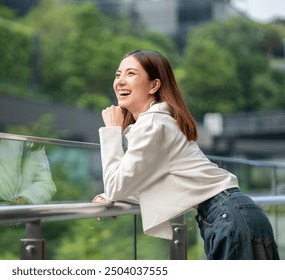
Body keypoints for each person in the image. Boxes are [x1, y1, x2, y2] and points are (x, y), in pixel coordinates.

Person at [93, 49, 279, 260]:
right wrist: (110, 195)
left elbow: (117, 186)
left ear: (154, 85)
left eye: (131, 73)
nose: (120, 81)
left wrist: (111, 131)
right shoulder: (157, 122)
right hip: (234, 215)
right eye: (118, 75)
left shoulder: (153, 124)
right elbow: (145, 182)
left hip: (229, 218)